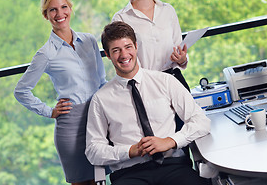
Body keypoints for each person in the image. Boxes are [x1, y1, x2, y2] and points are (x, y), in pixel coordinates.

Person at [85, 21, 211, 185]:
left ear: (136, 47)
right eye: (116, 50)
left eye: (128, 47)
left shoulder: (165, 81)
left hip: (173, 167)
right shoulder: (100, 99)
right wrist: (130, 151)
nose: (124, 55)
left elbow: (202, 122)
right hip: (129, 174)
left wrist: (170, 141)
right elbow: (93, 150)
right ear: (108, 55)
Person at [14, 0, 106, 185]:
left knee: (107, 177)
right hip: (71, 127)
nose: (59, 14)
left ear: (70, 9)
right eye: (52, 10)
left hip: (99, 118)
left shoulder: (89, 40)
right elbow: (21, 91)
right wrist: (49, 111)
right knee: (84, 182)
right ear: (45, 15)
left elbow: (101, 81)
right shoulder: (46, 54)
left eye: (64, 7)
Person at [111, 0, 190, 90]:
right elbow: (123, 59)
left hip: (175, 79)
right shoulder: (121, 18)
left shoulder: (168, 10)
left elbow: (178, 46)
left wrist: (182, 59)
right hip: (146, 85)